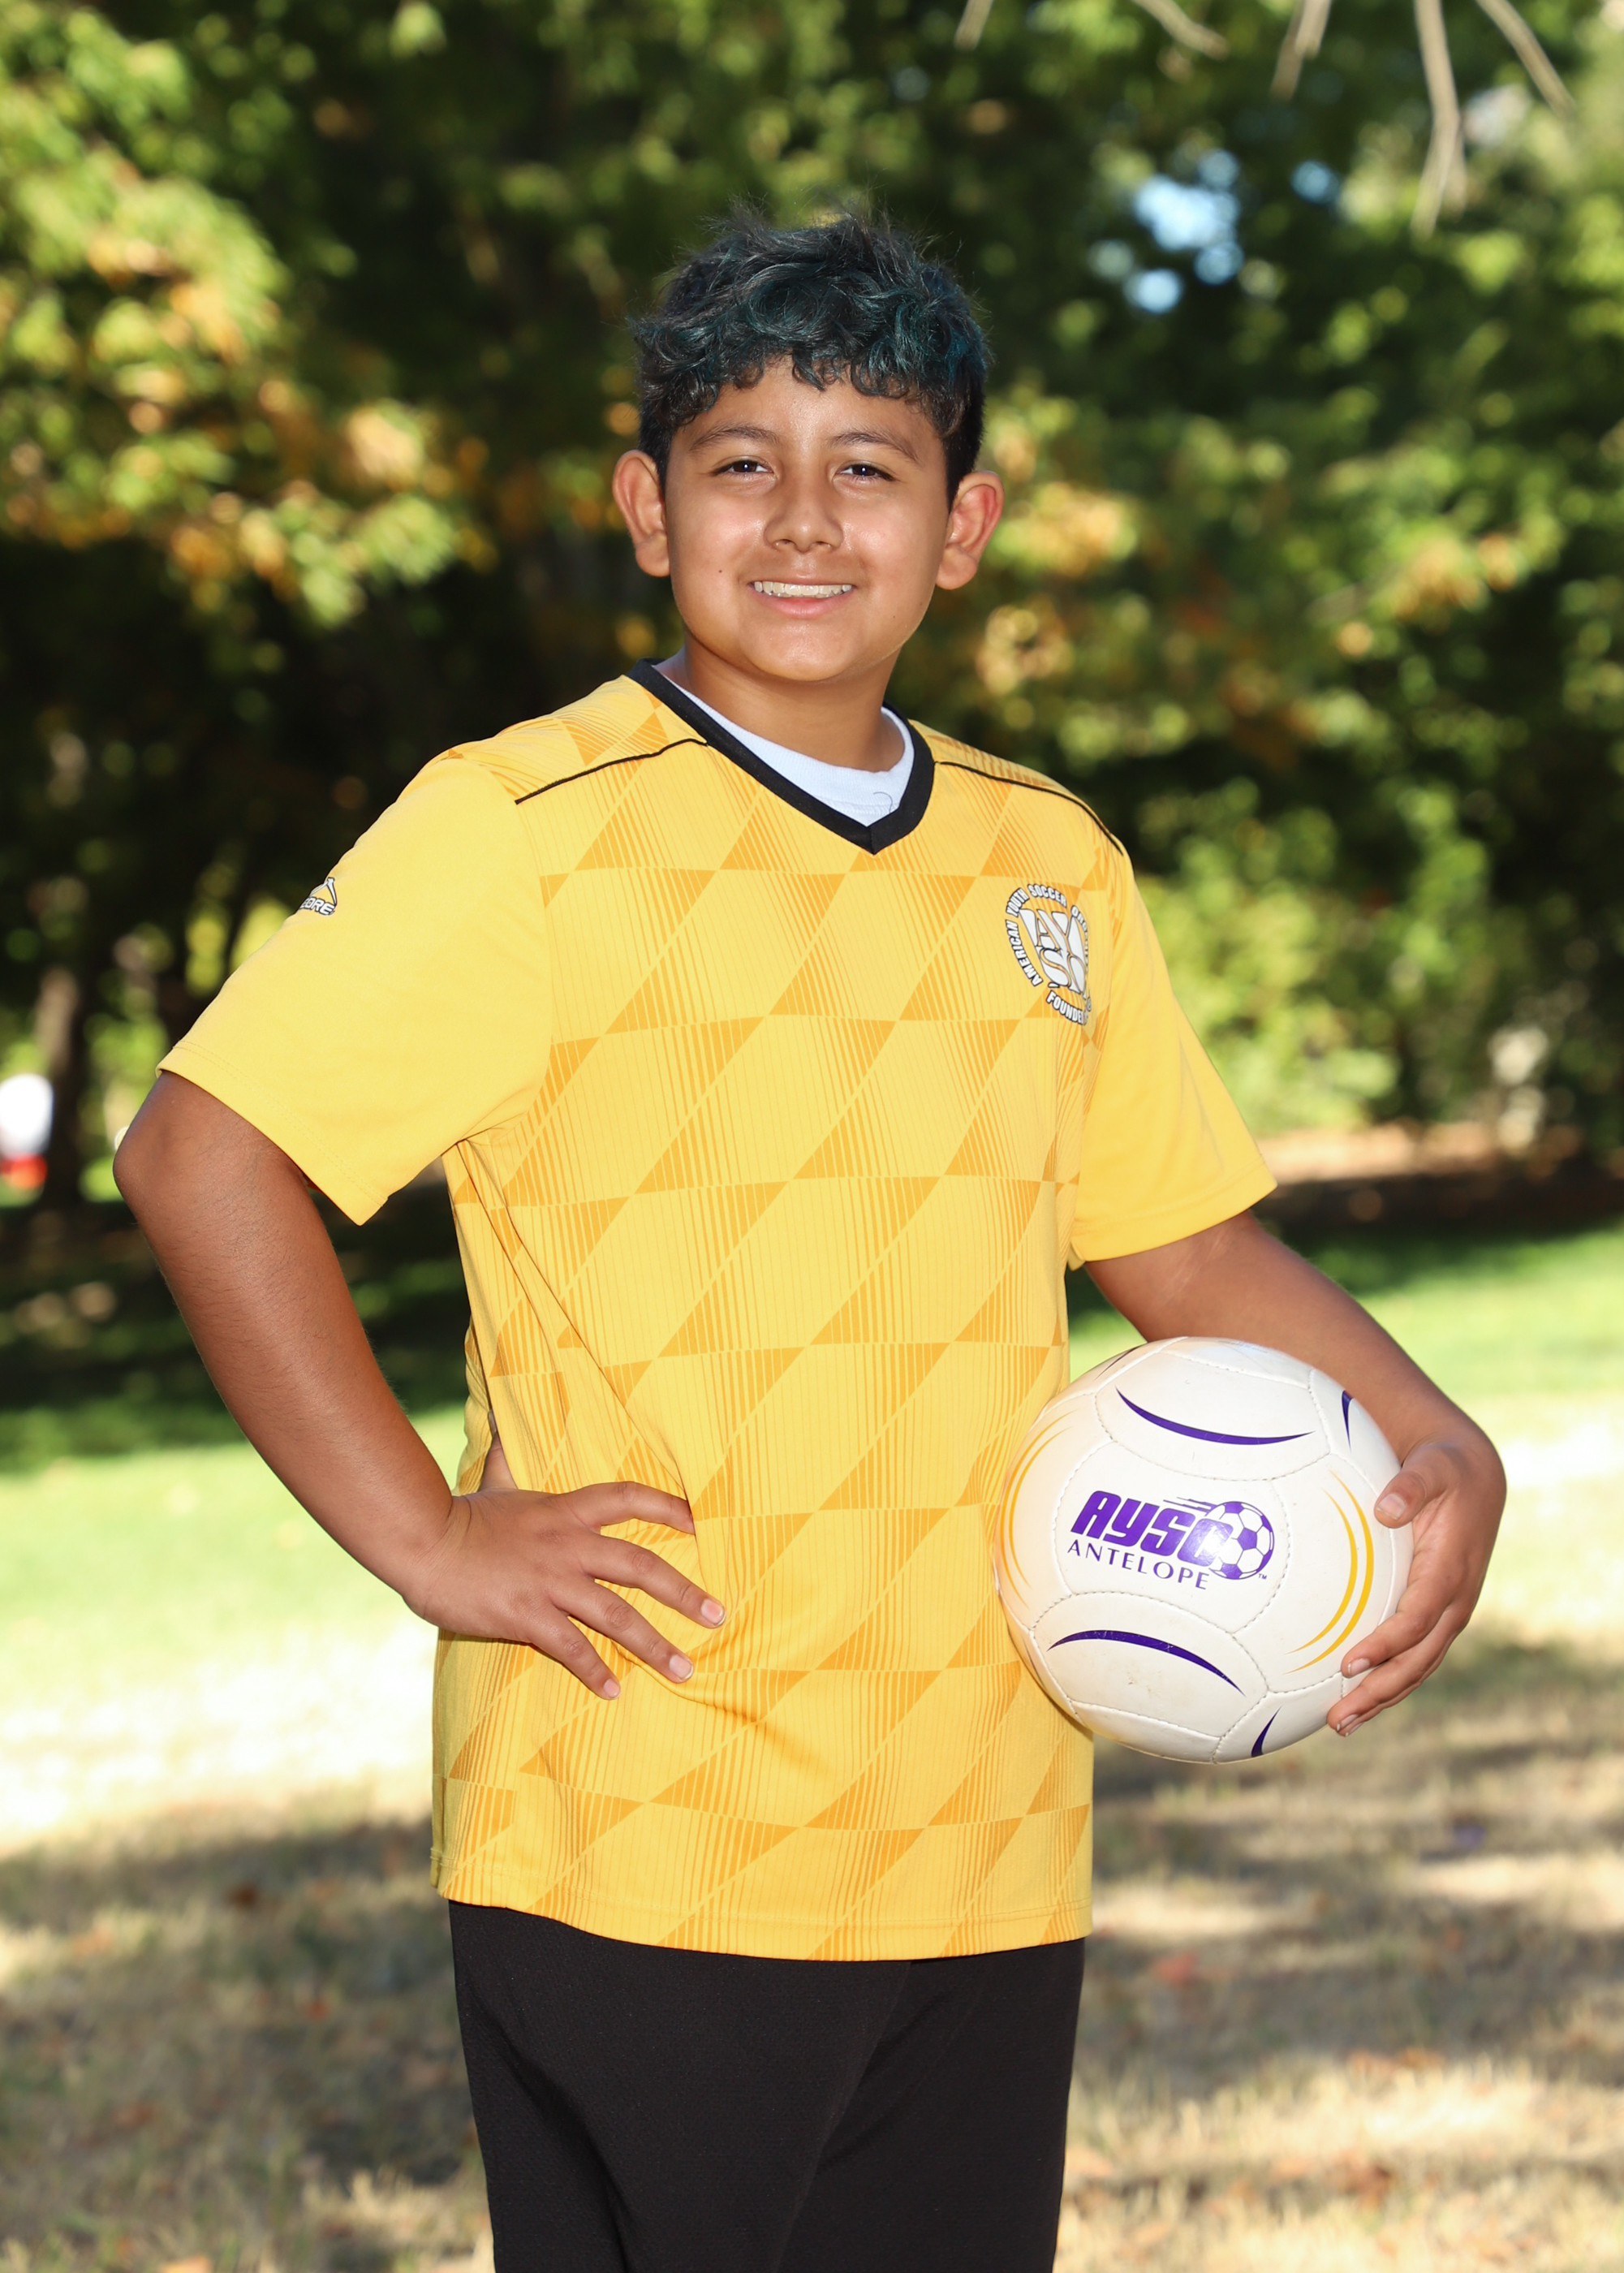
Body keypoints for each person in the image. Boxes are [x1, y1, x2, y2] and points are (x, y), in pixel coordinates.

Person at [115, 213, 1505, 2273]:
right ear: (642, 507)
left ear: (962, 527)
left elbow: (1189, 1248)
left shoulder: (1046, 861)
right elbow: (199, 1151)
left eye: (867, 465)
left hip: (983, 1809)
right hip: (641, 1808)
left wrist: (1433, 1433)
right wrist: (426, 1532)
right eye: (737, 461)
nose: (798, 517)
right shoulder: (524, 824)